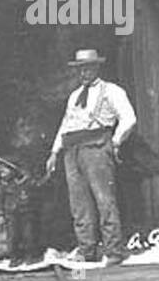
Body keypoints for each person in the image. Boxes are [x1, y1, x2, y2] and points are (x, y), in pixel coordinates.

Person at [45, 49, 137, 265]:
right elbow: (65, 125)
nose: (84, 72)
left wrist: (115, 142)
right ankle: (87, 249)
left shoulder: (111, 91)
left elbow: (129, 118)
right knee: (79, 205)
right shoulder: (74, 96)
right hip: (72, 151)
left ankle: (113, 250)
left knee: (104, 200)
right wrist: (54, 152)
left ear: (97, 67)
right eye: (80, 69)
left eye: (88, 67)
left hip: (96, 147)